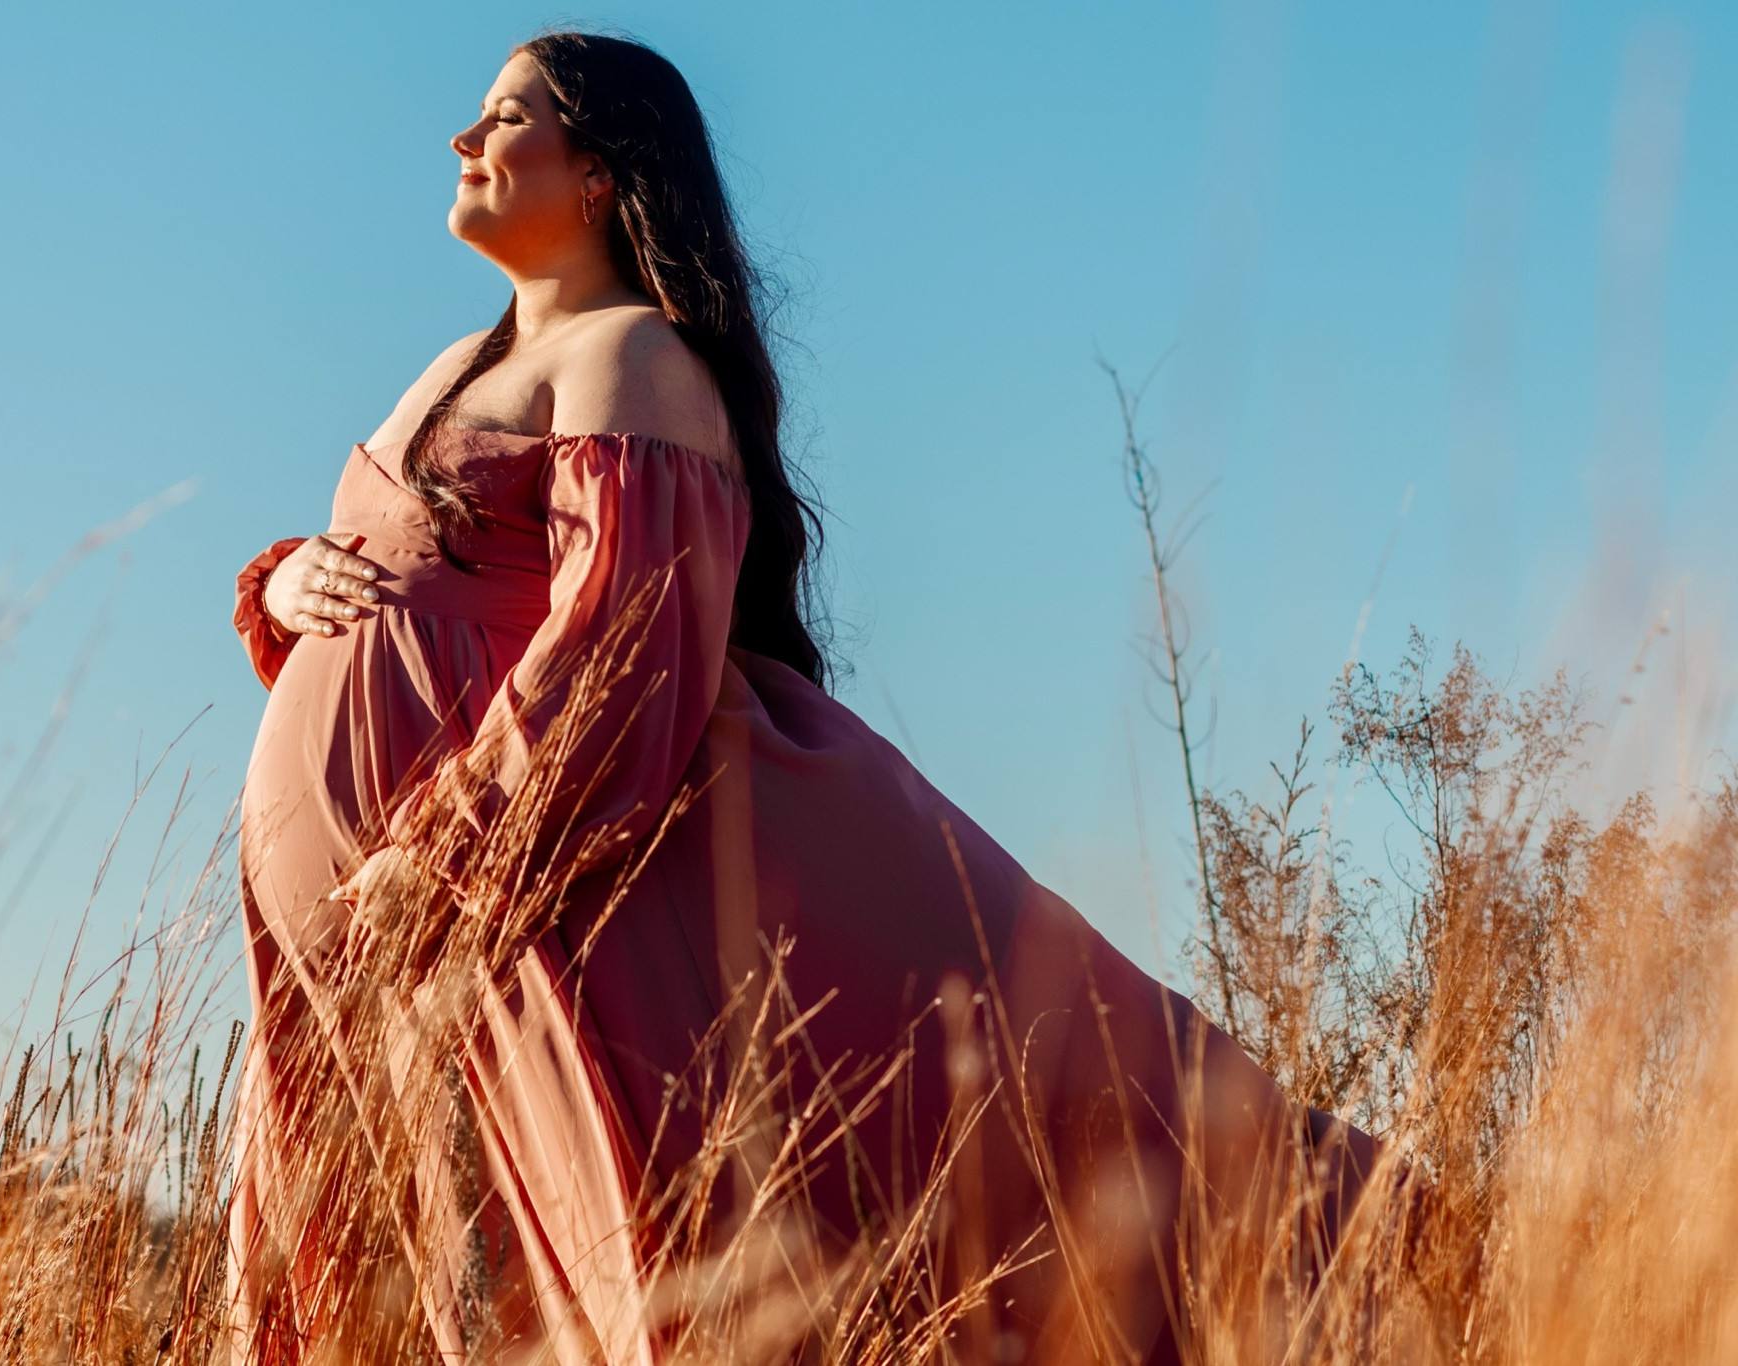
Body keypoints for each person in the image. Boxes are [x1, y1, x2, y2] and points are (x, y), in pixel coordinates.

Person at [231, 31, 1374, 1365]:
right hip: (358, 944)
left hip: (492, 914)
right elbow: (406, 568)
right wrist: (292, 574)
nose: (462, 137)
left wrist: (431, 866)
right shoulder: (450, 361)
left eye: (504, 113)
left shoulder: (631, 360)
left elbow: (621, 645)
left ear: (603, 170)